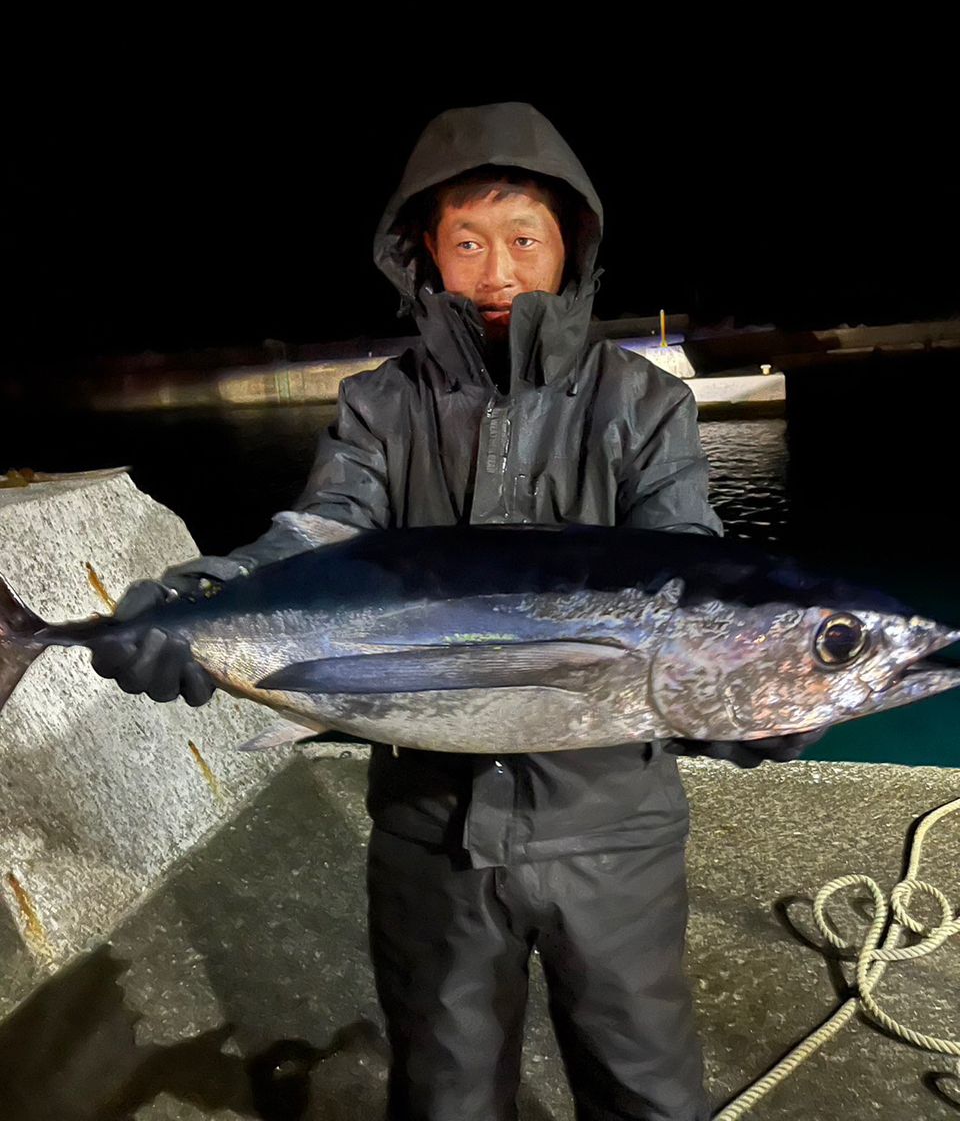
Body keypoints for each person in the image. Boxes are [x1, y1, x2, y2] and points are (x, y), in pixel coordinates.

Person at [90, 102, 825, 1121]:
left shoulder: (643, 405)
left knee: (647, 1084)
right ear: (423, 256)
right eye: (468, 241)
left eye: (524, 237)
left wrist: (751, 690)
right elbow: (318, 533)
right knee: (444, 1088)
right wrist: (204, 592)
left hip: (611, 830)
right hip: (429, 834)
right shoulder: (377, 407)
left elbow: (690, 565)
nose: (497, 268)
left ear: (571, 246)